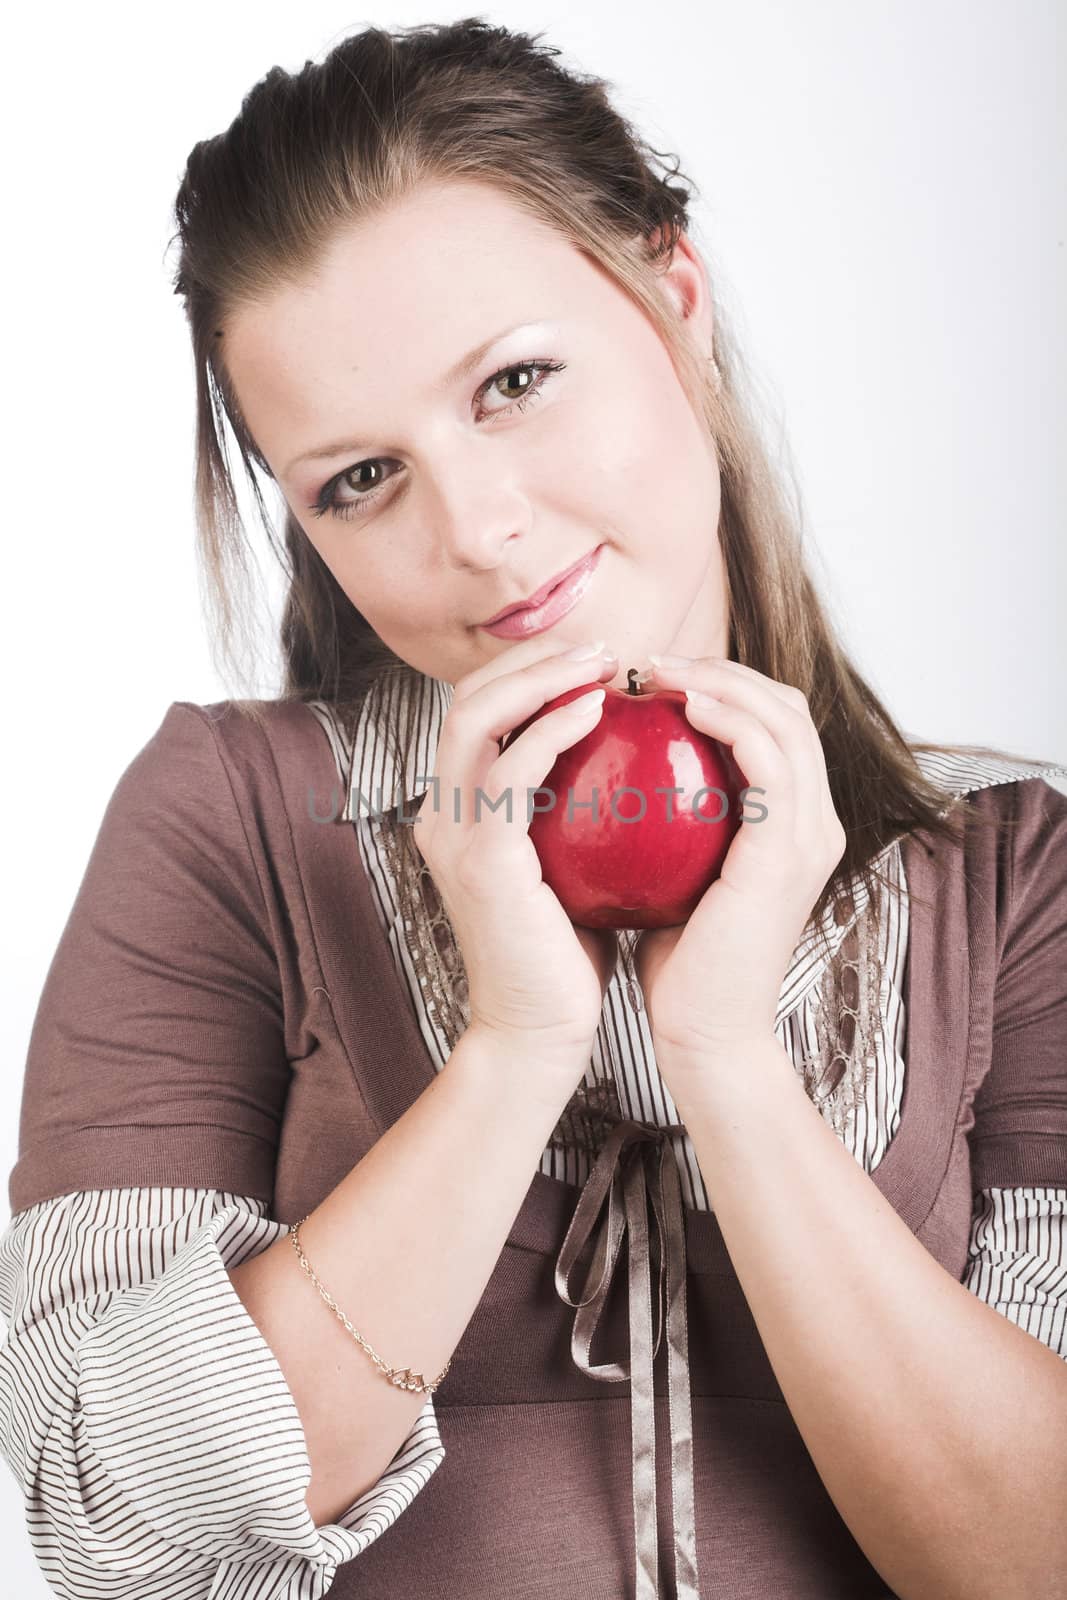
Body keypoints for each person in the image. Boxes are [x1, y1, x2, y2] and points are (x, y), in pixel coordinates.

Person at [2, 17, 1066, 1599]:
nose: (483, 534)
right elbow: (107, 1523)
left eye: (515, 382)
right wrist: (509, 1054)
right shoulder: (230, 819)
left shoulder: (1011, 872)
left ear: (675, 304)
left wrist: (725, 1065)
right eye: (361, 479)